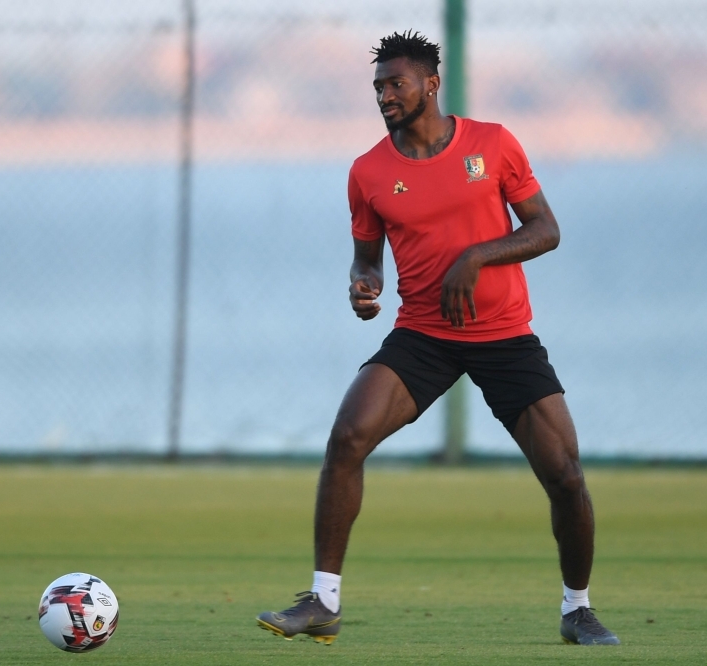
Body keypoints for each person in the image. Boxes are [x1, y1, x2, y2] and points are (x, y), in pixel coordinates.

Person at [256, 30, 619, 647]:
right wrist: (362, 286)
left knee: (565, 475)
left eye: (395, 83)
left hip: (504, 335)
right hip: (423, 334)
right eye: (377, 87)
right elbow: (366, 259)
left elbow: (546, 230)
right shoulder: (368, 171)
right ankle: (323, 600)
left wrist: (477, 254)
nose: (384, 95)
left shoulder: (493, 144)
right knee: (347, 437)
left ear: (430, 83)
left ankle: (578, 609)